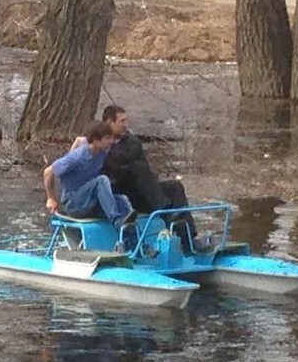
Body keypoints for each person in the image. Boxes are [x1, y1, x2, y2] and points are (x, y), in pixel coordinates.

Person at [73, 105, 203, 252]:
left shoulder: (131, 142)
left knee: (175, 186)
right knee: (137, 168)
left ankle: (189, 240)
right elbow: (77, 164)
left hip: (142, 190)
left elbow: (126, 162)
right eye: (121, 121)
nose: (125, 125)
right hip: (117, 191)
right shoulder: (97, 144)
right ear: (110, 122)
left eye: (126, 121)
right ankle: (165, 211)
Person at [44, 121, 138, 229]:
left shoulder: (101, 151)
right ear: (96, 140)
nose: (111, 141)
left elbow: (81, 139)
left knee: (122, 200)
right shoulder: (77, 157)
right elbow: (48, 172)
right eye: (107, 138)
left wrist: (78, 141)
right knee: (101, 180)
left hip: (88, 201)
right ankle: (116, 221)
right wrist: (51, 198)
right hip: (73, 204)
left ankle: (129, 229)